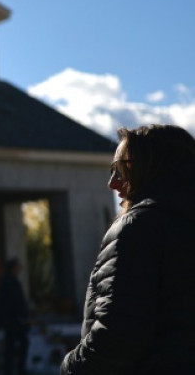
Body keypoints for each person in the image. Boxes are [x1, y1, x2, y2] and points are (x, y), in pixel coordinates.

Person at [61, 124, 195, 374]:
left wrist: (70, 367)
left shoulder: (139, 226)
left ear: (153, 168)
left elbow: (117, 337)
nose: (112, 183)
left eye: (121, 169)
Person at [0, 257, 30, 375]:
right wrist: (23, 316)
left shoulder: (9, 281)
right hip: (13, 321)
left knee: (16, 345)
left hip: (11, 320)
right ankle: (17, 369)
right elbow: (15, 302)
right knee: (17, 345)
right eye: (18, 266)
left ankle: (14, 369)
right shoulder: (10, 282)